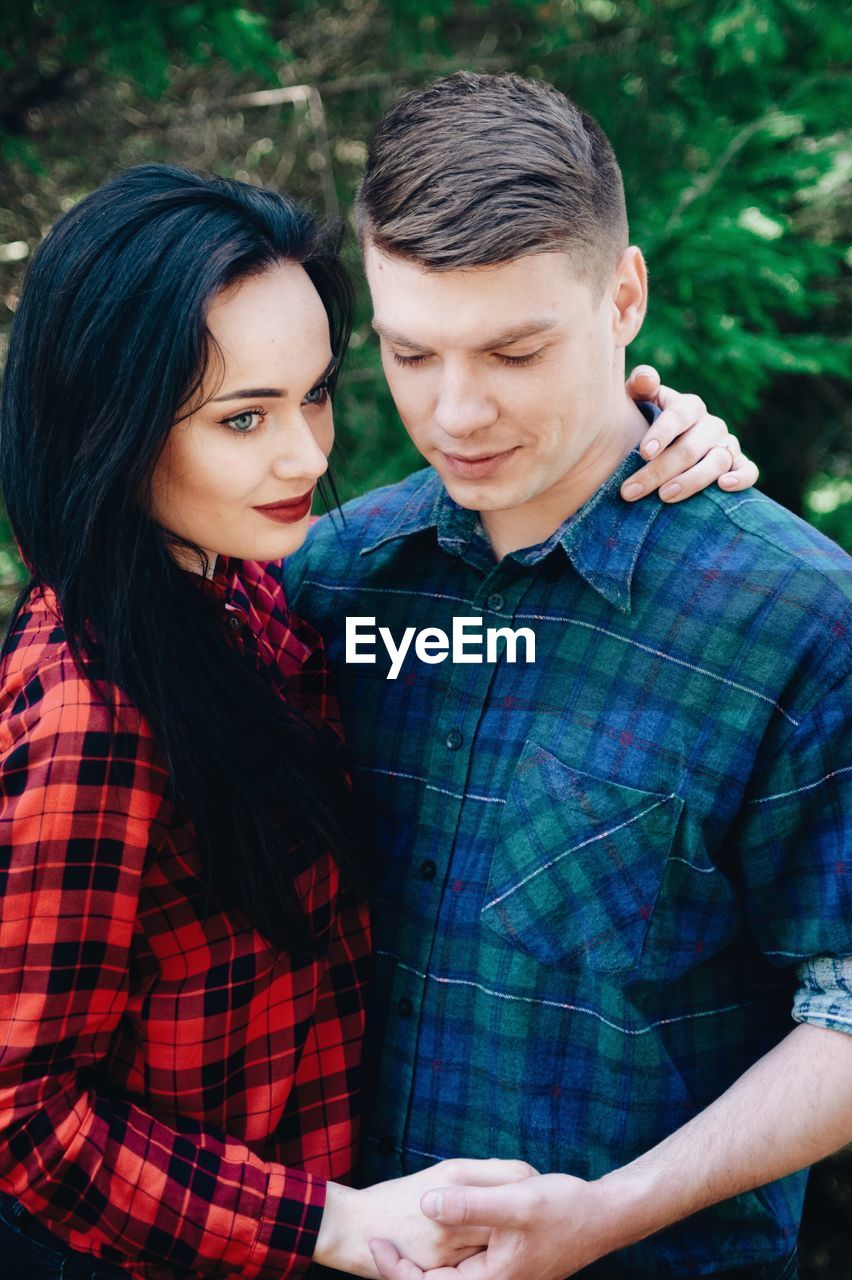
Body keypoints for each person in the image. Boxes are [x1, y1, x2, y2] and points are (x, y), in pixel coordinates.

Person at [0, 164, 746, 1279]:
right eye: (243, 417)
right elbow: (21, 1114)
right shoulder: (93, 708)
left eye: (314, 393)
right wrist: (326, 1222)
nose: (306, 455)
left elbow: (484, 634)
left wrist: (637, 430)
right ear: (109, 427)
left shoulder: (248, 591)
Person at [282, 73, 852, 1280]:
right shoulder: (332, 583)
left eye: (516, 349)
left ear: (624, 295)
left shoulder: (795, 615)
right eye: (411, 352)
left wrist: (613, 1208)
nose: (459, 408)